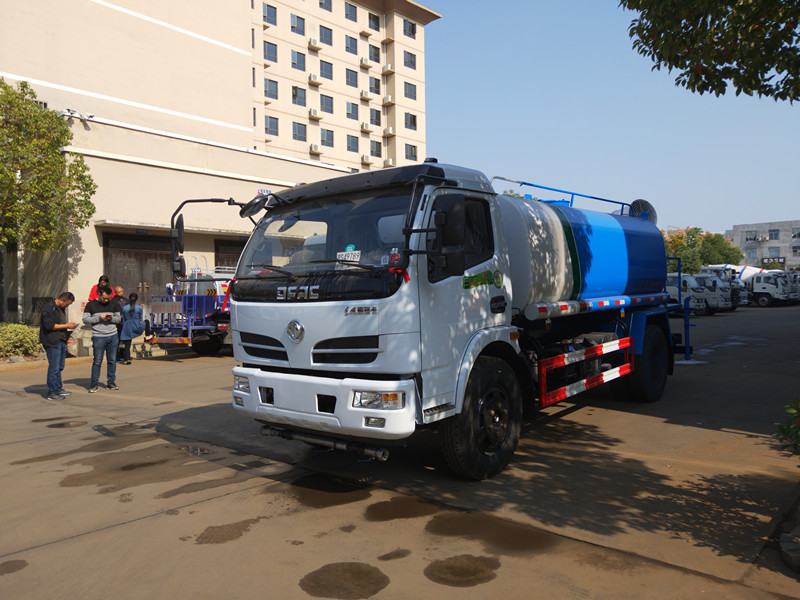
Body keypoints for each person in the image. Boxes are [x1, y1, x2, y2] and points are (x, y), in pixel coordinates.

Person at [83, 285, 122, 392]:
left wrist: (111, 318)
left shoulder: (114, 304)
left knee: (112, 361)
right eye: (104, 298)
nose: (106, 300)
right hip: (98, 337)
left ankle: (111, 382)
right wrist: (98, 318)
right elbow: (85, 320)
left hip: (113, 335)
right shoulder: (91, 305)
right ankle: (94, 384)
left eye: (108, 298)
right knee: (97, 361)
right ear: (99, 294)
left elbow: (118, 319)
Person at [39, 292, 78, 400]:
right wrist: (66, 325)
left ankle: (58, 388)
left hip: (61, 340)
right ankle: (51, 392)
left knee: (60, 366)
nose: (67, 306)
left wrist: (68, 326)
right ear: (61, 299)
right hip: (52, 341)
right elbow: (49, 325)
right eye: (67, 304)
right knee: (54, 367)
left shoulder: (60, 308)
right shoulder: (49, 308)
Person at [119, 292, 145, 365]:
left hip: (127, 325)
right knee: (146, 322)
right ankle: (149, 334)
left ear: (129, 299)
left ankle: (127, 359)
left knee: (127, 344)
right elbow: (141, 318)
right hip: (136, 324)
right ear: (136, 299)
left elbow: (123, 318)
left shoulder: (125, 307)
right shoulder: (139, 307)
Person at [114, 285, 127, 361]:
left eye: (122, 291)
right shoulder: (113, 301)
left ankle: (123, 354)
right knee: (117, 340)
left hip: (125, 323)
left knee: (125, 340)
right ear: (115, 293)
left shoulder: (126, 300)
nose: (121, 293)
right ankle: (116, 356)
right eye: (119, 292)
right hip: (117, 324)